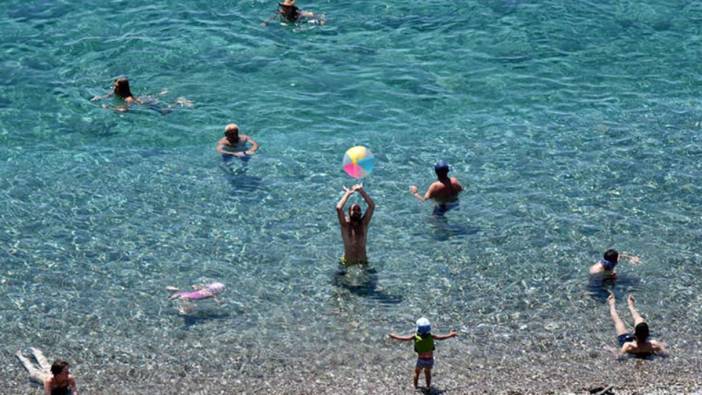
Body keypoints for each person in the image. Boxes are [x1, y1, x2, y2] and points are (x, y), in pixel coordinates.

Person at [388, 317, 458, 389]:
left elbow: (404, 338)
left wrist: (394, 336)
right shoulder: (431, 336)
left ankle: (416, 387)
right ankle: (428, 387)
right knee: (428, 373)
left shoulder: (415, 337)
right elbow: (441, 338)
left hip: (420, 360)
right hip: (430, 360)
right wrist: (450, 334)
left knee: (417, 373)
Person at [607, 292, 668, 358]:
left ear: (634, 333)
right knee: (640, 319)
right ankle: (631, 306)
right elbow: (666, 353)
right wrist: (662, 345)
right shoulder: (654, 344)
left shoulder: (628, 345)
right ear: (648, 334)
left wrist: (611, 350)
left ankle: (612, 304)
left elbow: (619, 356)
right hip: (645, 344)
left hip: (628, 341)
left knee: (618, 321)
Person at [91, 77, 192, 113]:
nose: (114, 86)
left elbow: (125, 110)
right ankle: (162, 93)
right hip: (142, 98)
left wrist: (108, 107)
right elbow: (109, 95)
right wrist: (99, 97)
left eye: (115, 85)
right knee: (158, 99)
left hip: (145, 102)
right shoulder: (116, 91)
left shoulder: (128, 98)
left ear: (121, 87)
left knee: (164, 111)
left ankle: (178, 102)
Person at [336, 184, 375, 266]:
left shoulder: (364, 224)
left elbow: (371, 206)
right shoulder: (345, 225)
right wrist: (348, 193)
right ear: (349, 213)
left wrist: (361, 191)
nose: (356, 211)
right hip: (347, 262)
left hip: (363, 262)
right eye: (354, 210)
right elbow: (339, 208)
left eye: (358, 210)